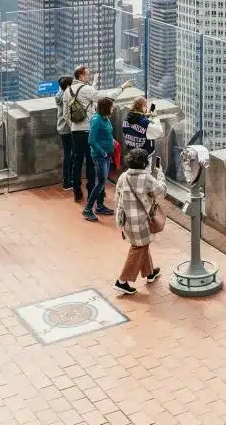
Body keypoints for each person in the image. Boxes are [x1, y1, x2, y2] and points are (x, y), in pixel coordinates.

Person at [64, 65, 132, 206]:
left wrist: (73, 126)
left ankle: (77, 192)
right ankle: (91, 194)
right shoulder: (87, 90)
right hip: (89, 130)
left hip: (75, 132)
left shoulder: (68, 91)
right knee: (90, 163)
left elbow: (66, 114)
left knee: (76, 163)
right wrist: (122, 87)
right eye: (87, 74)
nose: (88, 77)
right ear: (81, 76)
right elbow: (106, 98)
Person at [114, 148, 165, 295]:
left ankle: (149, 273)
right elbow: (161, 192)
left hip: (126, 220)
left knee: (141, 244)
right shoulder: (147, 178)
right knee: (138, 248)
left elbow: (117, 198)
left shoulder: (123, 176)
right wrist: (161, 174)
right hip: (141, 222)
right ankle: (122, 281)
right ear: (144, 163)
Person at [84, 96, 116, 222]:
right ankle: (88, 209)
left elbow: (106, 135)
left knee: (103, 181)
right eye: (111, 106)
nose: (113, 109)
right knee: (101, 182)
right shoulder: (96, 120)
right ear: (106, 107)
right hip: (100, 156)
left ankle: (100, 206)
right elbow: (91, 140)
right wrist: (102, 153)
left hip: (106, 154)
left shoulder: (105, 118)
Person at [55, 75, 74, 191]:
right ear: (68, 86)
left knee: (68, 154)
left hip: (62, 127)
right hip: (67, 127)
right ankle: (67, 181)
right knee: (68, 154)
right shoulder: (65, 96)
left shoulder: (59, 93)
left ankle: (68, 179)